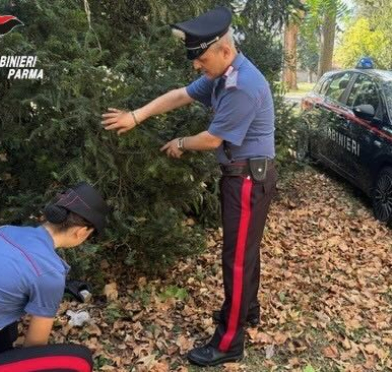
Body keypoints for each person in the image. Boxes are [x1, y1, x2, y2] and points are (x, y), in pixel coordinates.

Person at [101, 6, 277, 367]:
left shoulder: (242, 85)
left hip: (248, 180)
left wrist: (180, 142)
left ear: (224, 51)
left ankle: (230, 341)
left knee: (238, 259)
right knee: (246, 252)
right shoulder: (223, 73)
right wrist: (137, 116)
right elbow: (180, 94)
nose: (197, 66)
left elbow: (212, 140)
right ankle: (247, 310)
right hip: (245, 174)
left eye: (201, 59)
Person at [0, 182, 110, 372]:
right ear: (82, 232)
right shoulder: (50, 273)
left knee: (9, 325)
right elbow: (34, 348)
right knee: (79, 361)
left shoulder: (4, 231)